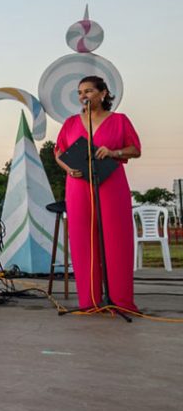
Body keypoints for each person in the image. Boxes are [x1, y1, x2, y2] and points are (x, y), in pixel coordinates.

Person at [54, 75, 142, 313]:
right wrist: (68, 169)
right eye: (80, 92)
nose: (84, 96)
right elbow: (59, 152)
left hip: (111, 184)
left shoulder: (120, 121)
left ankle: (121, 301)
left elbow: (135, 150)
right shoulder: (71, 123)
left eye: (89, 91)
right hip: (78, 186)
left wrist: (115, 152)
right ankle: (90, 301)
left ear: (103, 94)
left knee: (116, 240)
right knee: (83, 241)